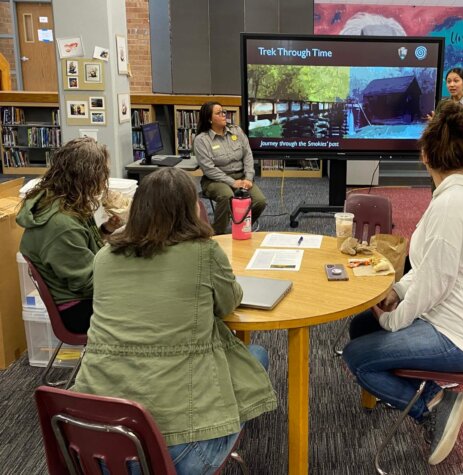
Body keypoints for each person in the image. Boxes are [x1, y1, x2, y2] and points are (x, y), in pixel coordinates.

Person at [71, 167, 277, 474]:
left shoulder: (104, 257)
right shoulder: (204, 251)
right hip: (174, 454)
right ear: (191, 209)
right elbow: (227, 303)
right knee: (255, 358)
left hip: (90, 444)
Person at [342, 101, 463, 466]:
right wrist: (397, 291)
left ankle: (433, 404)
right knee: (360, 325)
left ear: (425, 155)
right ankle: (419, 396)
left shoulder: (450, 207)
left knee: (358, 358)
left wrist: (392, 318)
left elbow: (434, 283)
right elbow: (430, 267)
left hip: (461, 336)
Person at [16, 137, 119, 334]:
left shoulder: (59, 201)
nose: (104, 181)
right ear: (87, 177)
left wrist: (105, 230)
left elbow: (78, 251)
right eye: (103, 174)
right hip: (77, 309)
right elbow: (86, 282)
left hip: (80, 295)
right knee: (146, 301)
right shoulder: (62, 224)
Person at [193, 101, 267, 234]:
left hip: (241, 176)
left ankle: (241, 227)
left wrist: (248, 178)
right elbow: (209, 169)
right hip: (215, 180)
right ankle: (217, 235)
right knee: (227, 195)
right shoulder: (201, 140)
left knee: (260, 201)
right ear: (209, 119)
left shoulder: (236, 131)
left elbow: (248, 155)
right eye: (218, 113)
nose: (223, 115)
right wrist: (232, 182)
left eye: (223, 111)